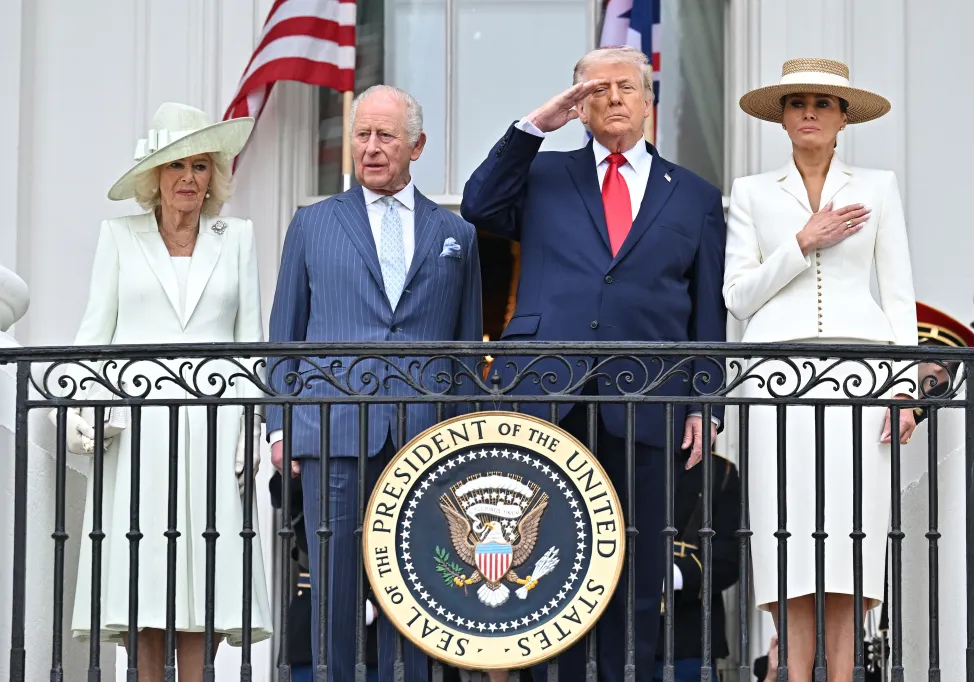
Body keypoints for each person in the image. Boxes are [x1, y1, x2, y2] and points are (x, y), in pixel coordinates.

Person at [461, 45, 727, 682]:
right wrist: (534, 128)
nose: (613, 98)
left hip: (648, 401)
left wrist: (704, 405)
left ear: (648, 102)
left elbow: (707, 315)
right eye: (597, 89)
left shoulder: (694, 195)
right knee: (544, 569)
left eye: (627, 87)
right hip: (550, 395)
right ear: (577, 105)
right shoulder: (544, 175)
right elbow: (478, 203)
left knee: (633, 574)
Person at [266, 84, 482, 682]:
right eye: (362, 135)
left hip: (426, 439)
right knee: (333, 588)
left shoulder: (455, 235)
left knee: (416, 590)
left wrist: (464, 438)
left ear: (417, 144)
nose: (371, 147)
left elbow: (465, 348)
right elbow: (284, 334)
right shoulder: (312, 225)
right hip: (330, 430)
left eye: (385, 135)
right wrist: (279, 427)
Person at [724, 59, 918, 682]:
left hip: (861, 379)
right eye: (797, 101)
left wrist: (905, 388)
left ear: (842, 119)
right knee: (787, 540)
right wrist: (803, 241)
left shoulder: (878, 187)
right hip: (775, 378)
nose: (809, 111)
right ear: (781, 117)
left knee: (849, 539)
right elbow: (738, 295)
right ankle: (792, 672)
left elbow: (898, 296)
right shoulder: (753, 192)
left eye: (823, 102)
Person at [64, 102, 273, 680]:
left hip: (215, 427)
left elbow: (250, 344)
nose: (188, 177)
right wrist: (84, 406)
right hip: (137, 432)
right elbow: (94, 337)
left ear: (215, 177)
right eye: (176, 164)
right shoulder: (118, 237)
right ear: (153, 176)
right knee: (144, 575)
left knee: (203, 575)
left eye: (201, 165)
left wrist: (251, 426)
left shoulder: (239, 238)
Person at [653, 453, 741, 682]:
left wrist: (675, 576)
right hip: (622, 634)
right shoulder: (620, 460)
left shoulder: (720, 471)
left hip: (689, 638)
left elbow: (731, 555)